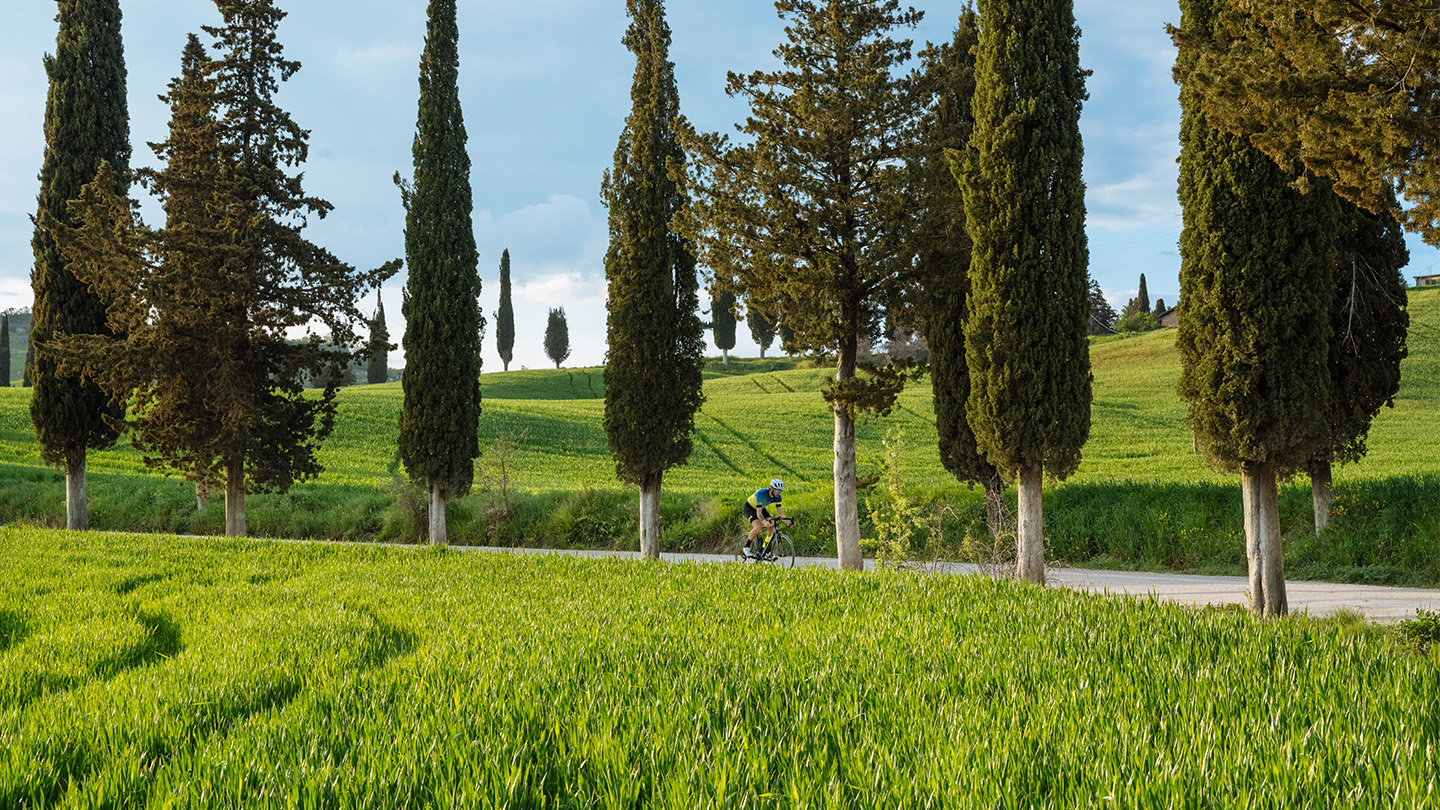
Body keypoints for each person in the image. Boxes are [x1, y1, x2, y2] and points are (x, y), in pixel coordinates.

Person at [743, 478, 787, 556]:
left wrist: (788, 522)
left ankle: (766, 549)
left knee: (772, 525)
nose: (779, 493)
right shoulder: (761, 494)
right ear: (771, 489)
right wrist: (765, 522)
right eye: (777, 491)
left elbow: (780, 514)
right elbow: (759, 513)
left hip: (761, 507)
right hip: (750, 507)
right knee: (758, 527)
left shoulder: (778, 497)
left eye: (780, 491)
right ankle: (746, 547)